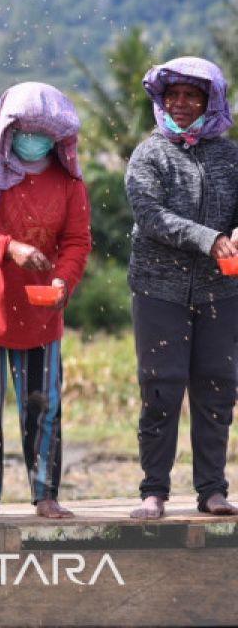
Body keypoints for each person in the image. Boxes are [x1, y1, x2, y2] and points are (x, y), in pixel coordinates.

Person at [0, 82, 90, 521]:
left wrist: (64, 282)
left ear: (58, 138)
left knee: (43, 403)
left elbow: (77, 241)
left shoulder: (69, 182)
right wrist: (10, 248)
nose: (34, 139)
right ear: (10, 129)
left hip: (40, 305)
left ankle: (45, 494)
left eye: (44, 133)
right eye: (27, 130)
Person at [124, 56, 238, 519]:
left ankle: (212, 490)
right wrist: (209, 239)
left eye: (193, 96)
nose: (182, 104)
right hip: (158, 288)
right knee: (162, 386)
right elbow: (151, 217)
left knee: (218, 385)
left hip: (221, 290)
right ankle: (154, 491)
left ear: (211, 102)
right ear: (162, 100)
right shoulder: (150, 155)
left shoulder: (230, 156)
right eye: (174, 96)